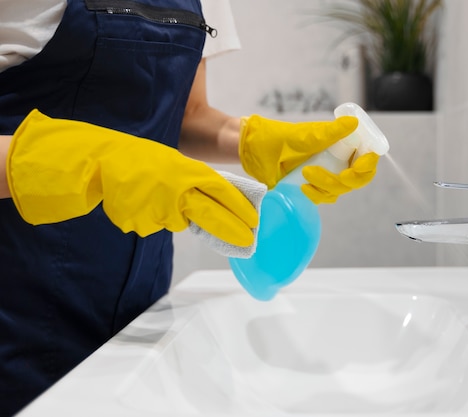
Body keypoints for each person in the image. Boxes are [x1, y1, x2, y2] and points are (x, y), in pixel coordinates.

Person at [0, 0, 380, 414]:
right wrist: (87, 164)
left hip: (139, 305)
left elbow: (186, 114)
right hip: (16, 308)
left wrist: (252, 140)